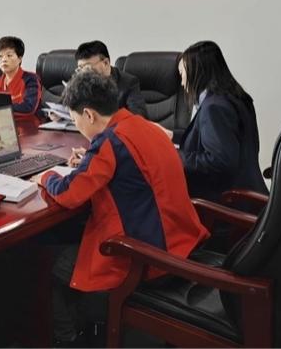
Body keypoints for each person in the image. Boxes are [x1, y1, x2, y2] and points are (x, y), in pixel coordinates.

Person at [35, 71, 208, 346]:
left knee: (47, 267)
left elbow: (69, 193)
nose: (77, 126)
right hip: (181, 242)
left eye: (75, 119)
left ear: (89, 114)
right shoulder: (144, 126)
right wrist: (90, 159)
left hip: (148, 258)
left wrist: (45, 176)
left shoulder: (110, 144)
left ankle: (67, 341)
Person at [174, 41, 268, 200]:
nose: (182, 83)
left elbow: (219, 162)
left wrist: (175, 156)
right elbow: (212, 136)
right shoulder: (236, 98)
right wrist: (172, 136)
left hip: (226, 203)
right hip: (249, 192)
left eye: (182, 74)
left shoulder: (214, 108)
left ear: (197, 72)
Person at [73, 41, 147, 117]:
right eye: (80, 68)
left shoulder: (129, 83)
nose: (84, 73)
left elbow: (139, 116)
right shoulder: (80, 81)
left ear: (106, 63)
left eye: (88, 68)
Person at [0, 36, 41, 119]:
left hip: (25, 125)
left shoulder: (30, 79)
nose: (4, 59)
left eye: (9, 55)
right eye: (0, 56)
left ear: (20, 59)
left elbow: (29, 108)